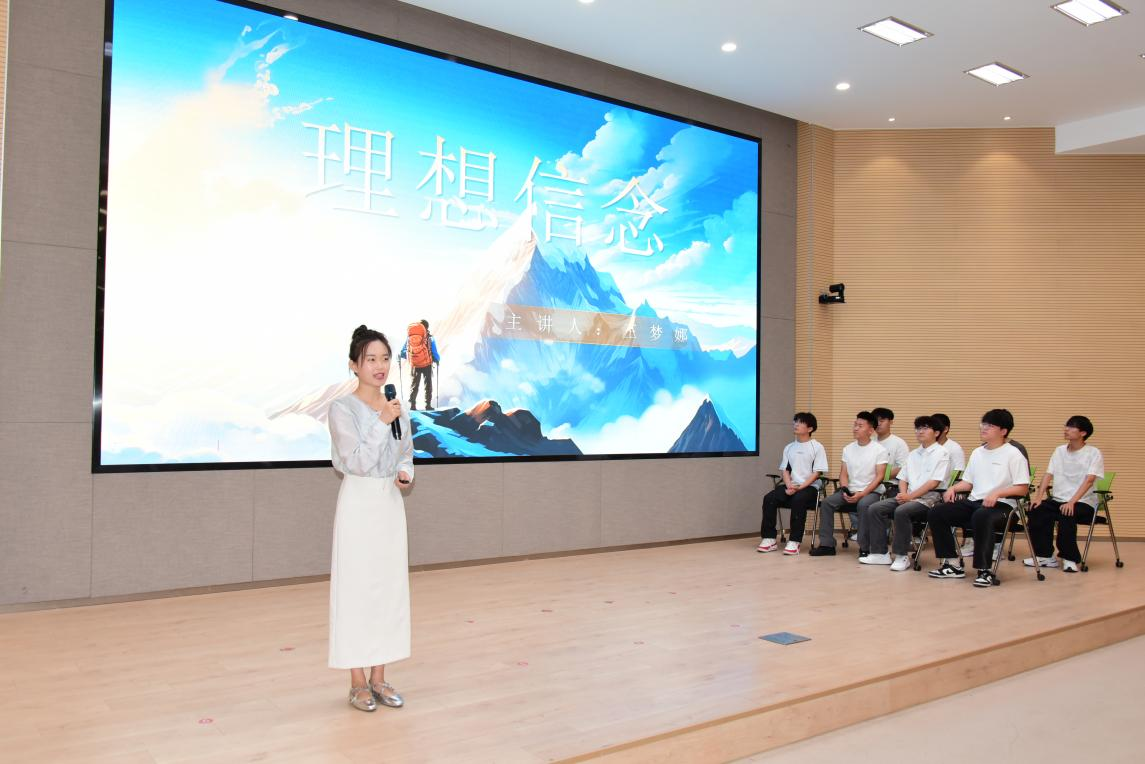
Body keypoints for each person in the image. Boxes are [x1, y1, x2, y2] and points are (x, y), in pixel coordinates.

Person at [328, 325, 415, 712]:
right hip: (359, 504)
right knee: (357, 590)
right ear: (354, 365)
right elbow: (356, 461)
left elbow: (405, 452)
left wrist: (405, 472)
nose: (380, 366)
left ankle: (380, 677)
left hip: (389, 505)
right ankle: (357, 681)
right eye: (371, 359)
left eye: (385, 359)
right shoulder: (341, 409)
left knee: (388, 589)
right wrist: (381, 420)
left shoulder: (397, 407)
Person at [926, 409, 1030, 587]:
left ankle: (985, 570)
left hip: (1003, 506)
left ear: (1003, 431)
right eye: (983, 424)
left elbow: (1022, 488)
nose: (984, 428)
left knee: (981, 516)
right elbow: (968, 482)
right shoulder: (977, 452)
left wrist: (997, 493)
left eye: (990, 425)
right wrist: (953, 487)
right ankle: (951, 564)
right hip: (975, 502)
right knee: (937, 512)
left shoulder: (1013, 454)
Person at [860, 415, 950, 570]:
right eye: (918, 428)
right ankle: (880, 553)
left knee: (902, 511)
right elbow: (903, 478)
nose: (920, 431)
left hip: (930, 499)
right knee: (875, 508)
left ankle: (902, 556)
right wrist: (903, 494)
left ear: (936, 433)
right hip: (908, 497)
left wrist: (909, 497)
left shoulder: (942, 453)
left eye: (925, 428)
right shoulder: (913, 454)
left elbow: (933, 483)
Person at [1026, 416, 1104, 573]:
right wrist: (1038, 498)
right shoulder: (1059, 450)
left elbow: (1089, 480)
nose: (1066, 429)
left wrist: (1071, 502)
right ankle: (1045, 555)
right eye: (1066, 426)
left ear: (1083, 433)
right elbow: (1048, 474)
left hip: (1083, 503)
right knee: (1036, 510)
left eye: (1071, 427)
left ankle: (1069, 558)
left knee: (1067, 512)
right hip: (1058, 500)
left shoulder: (1093, 453)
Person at [809, 411, 888, 557]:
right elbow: (843, 474)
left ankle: (865, 547)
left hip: (871, 492)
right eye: (855, 424)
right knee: (827, 503)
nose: (855, 428)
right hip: (850, 490)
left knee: (863, 505)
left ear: (870, 430)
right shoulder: (848, 449)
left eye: (860, 425)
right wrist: (845, 489)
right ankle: (827, 545)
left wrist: (862, 494)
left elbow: (879, 476)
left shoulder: (880, 450)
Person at [759, 412, 828, 556]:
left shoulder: (817, 447)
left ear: (810, 428)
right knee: (769, 498)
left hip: (810, 487)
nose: (796, 424)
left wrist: (799, 488)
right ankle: (769, 538)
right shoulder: (789, 447)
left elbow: (816, 473)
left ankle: (794, 541)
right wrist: (790, 485)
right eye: (795, 421)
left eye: (800, 422)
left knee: (799, 499)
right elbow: (785, 470)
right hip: (792, 485)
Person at [400, 319, 440, 411]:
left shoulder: (410, 338)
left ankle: (412, 405)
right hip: (427, 364)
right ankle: (428, 405)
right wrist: (437, 359)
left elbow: (403, 352)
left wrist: (412, 357)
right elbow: (434, 351)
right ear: (427, 327)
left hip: (415, 365)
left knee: (414, 384)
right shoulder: (429, 338)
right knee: (428, 384)